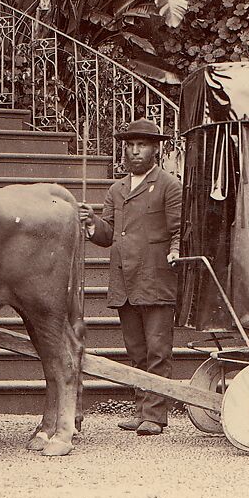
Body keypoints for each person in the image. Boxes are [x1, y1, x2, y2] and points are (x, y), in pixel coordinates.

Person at [79, 119, 181, 436]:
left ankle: (155, 416)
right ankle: (141, 411)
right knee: (136, 351)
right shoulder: (116, 189)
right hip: (125, 282)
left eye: (142, 145)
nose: (135, 151)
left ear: (155, 149)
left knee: (157, 350)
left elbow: (180, 230)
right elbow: (108, 235)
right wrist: (91, 221)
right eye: (131, 145)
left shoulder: (168, 185)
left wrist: (176, 251)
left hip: (156, 279)